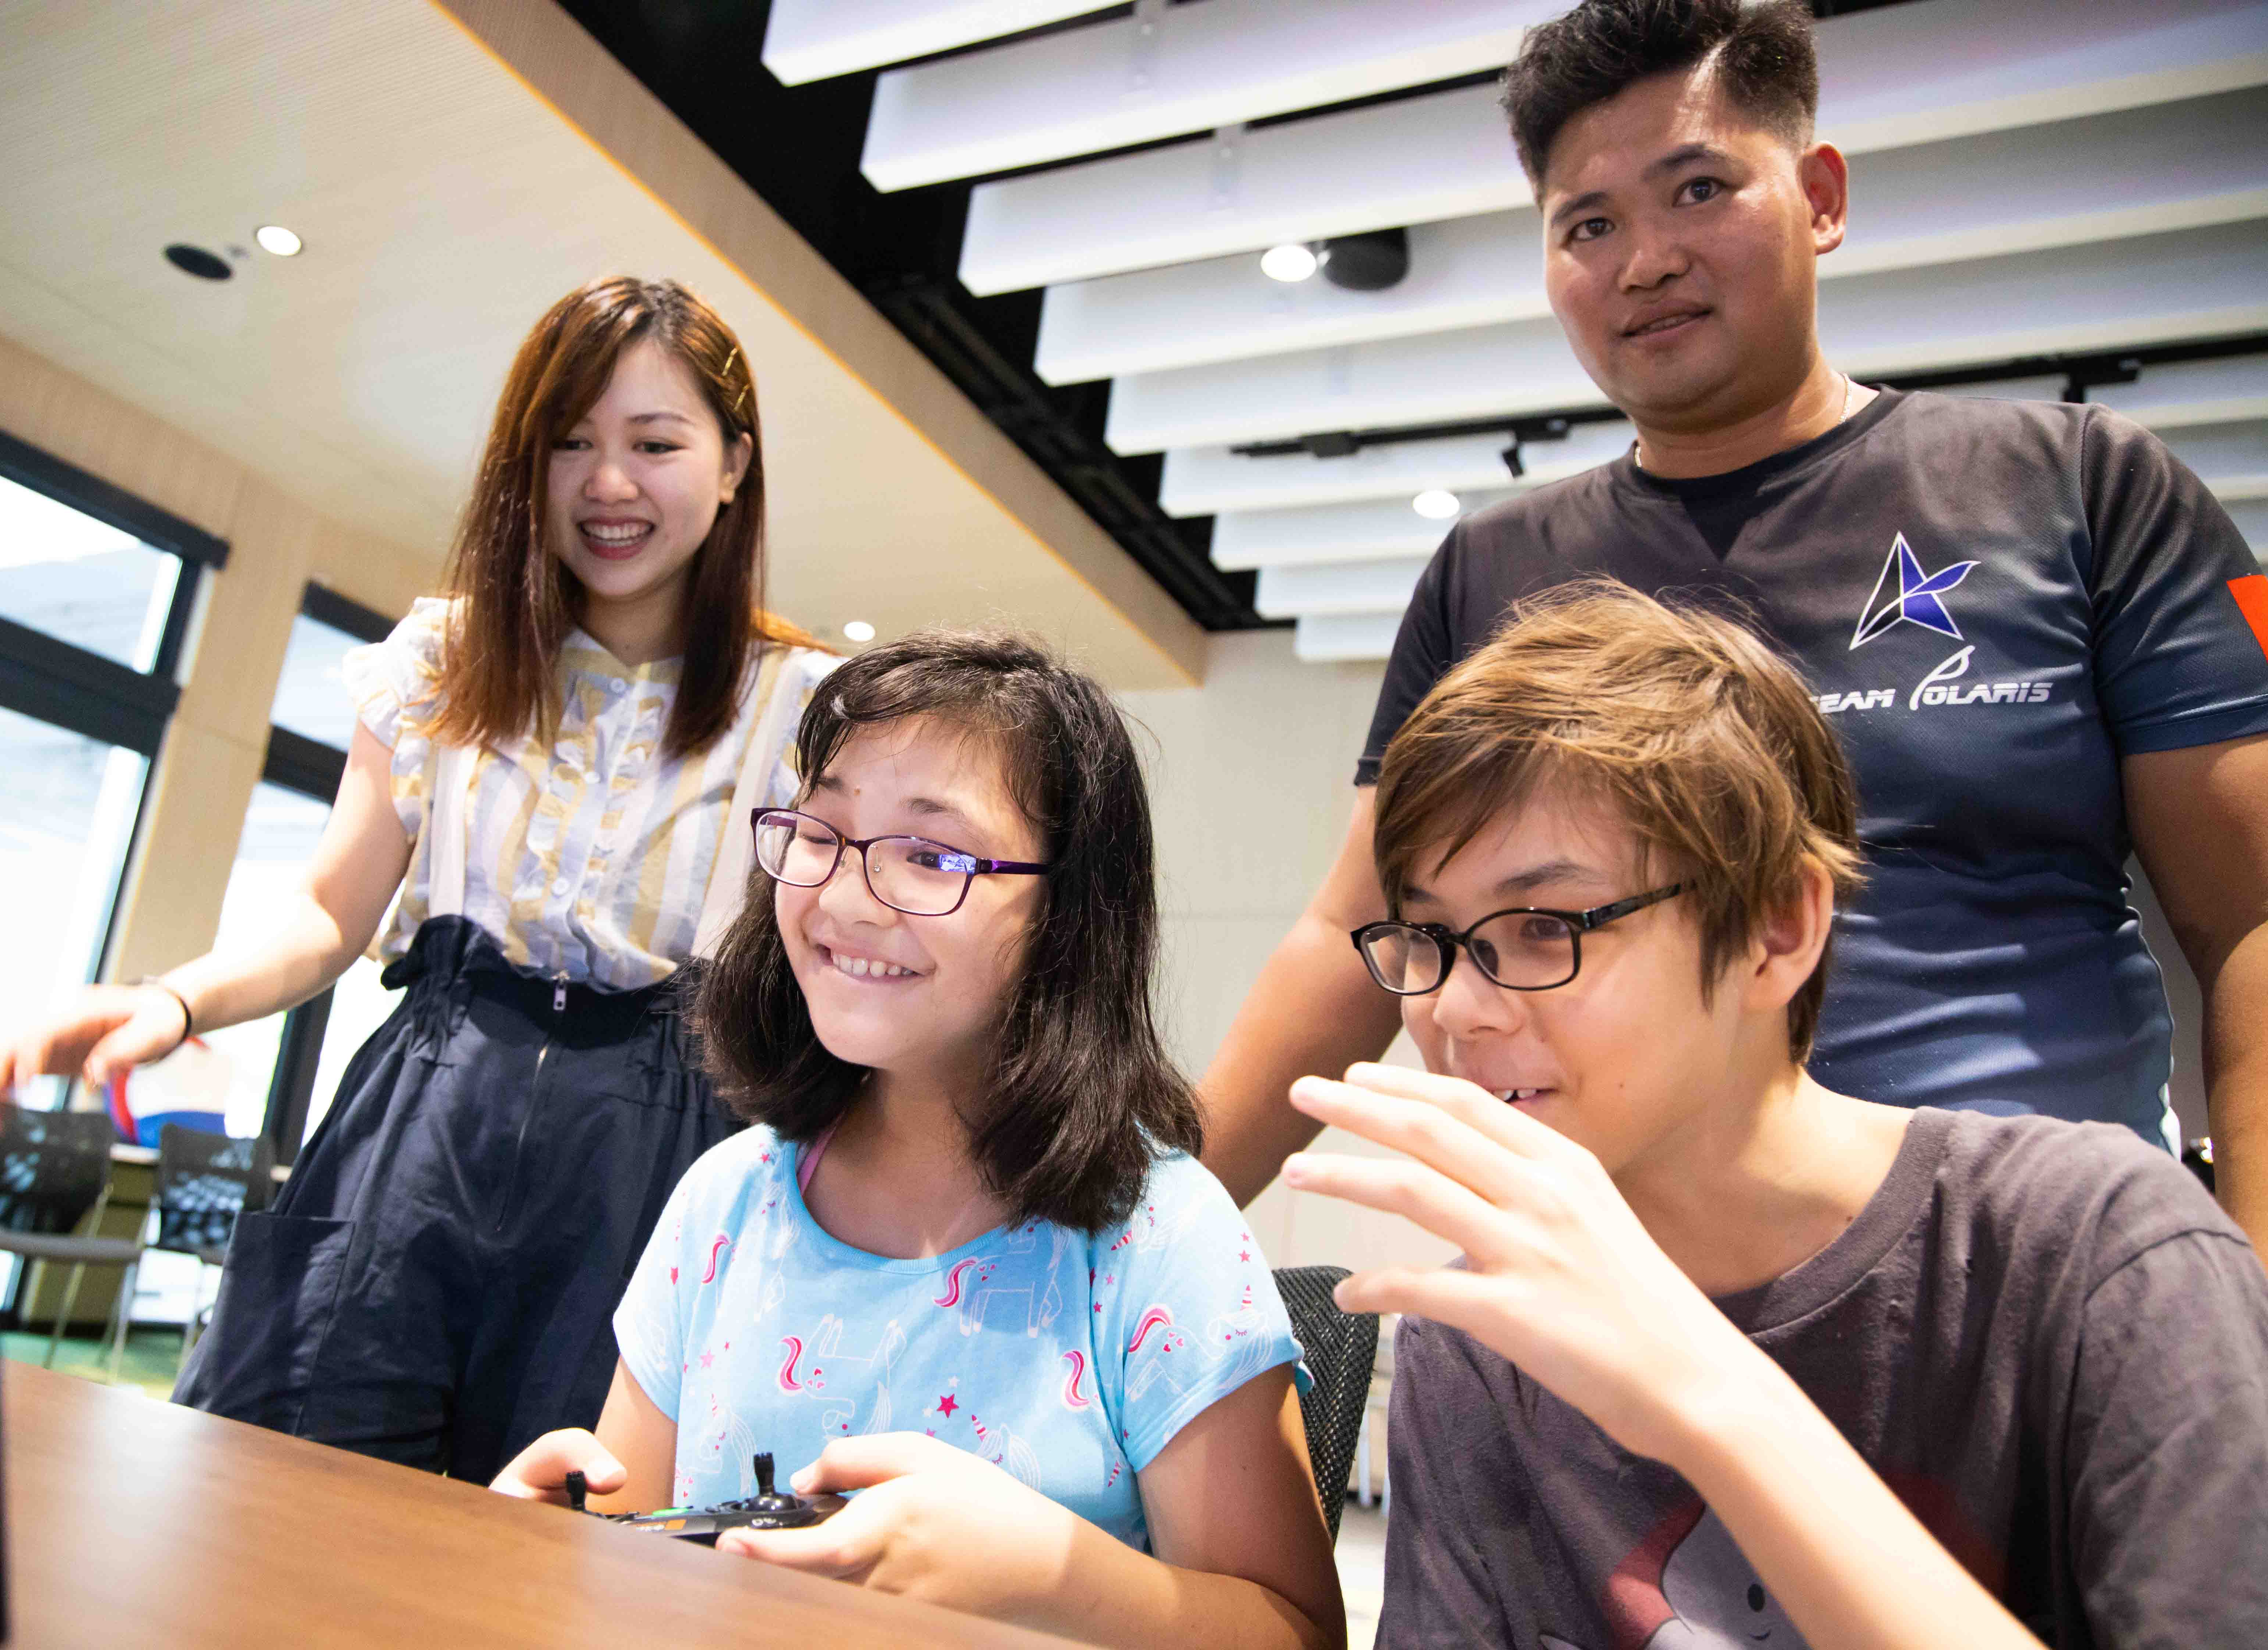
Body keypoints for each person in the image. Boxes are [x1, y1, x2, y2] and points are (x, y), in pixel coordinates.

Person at [1200, 0, 2268, 1254]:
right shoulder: (1489, 572)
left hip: (2022, 1260)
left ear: (1821, 198)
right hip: (1613, 1278)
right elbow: (1352, 934)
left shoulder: (2092, 484)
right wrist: (1126, 1235)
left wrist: (2242, 1303)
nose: (1645, 261)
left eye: (1699, 190)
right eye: (1588, 225)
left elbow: (2250, 920)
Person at [0, 277, 838, 1482]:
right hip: (423, 1120)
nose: (607, 482)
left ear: (734, 465)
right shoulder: (444, 657)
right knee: (293, 1486)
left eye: (654, 444)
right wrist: (167, 1001)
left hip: (662, 1158)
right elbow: (329, 913)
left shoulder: (807, 710)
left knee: (568, 1536)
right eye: (568, 442)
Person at [1281, 583, 2268, 1648]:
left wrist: (1705, 1395)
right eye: (1427, 938)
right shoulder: (1480, 1334)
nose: (1453, 1009)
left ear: (1776, 927)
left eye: (1542, 927)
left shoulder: (2096, 1250)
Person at [491, 632, 1345, 1649]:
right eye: (822, 833)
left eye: (932, 857)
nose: (846, 901)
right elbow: (639, 1554)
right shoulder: (727, 1199)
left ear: (1067, 913)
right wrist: (559, 1552)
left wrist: (1048, 1575)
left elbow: (1297, 1633)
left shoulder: (1158, 1235)